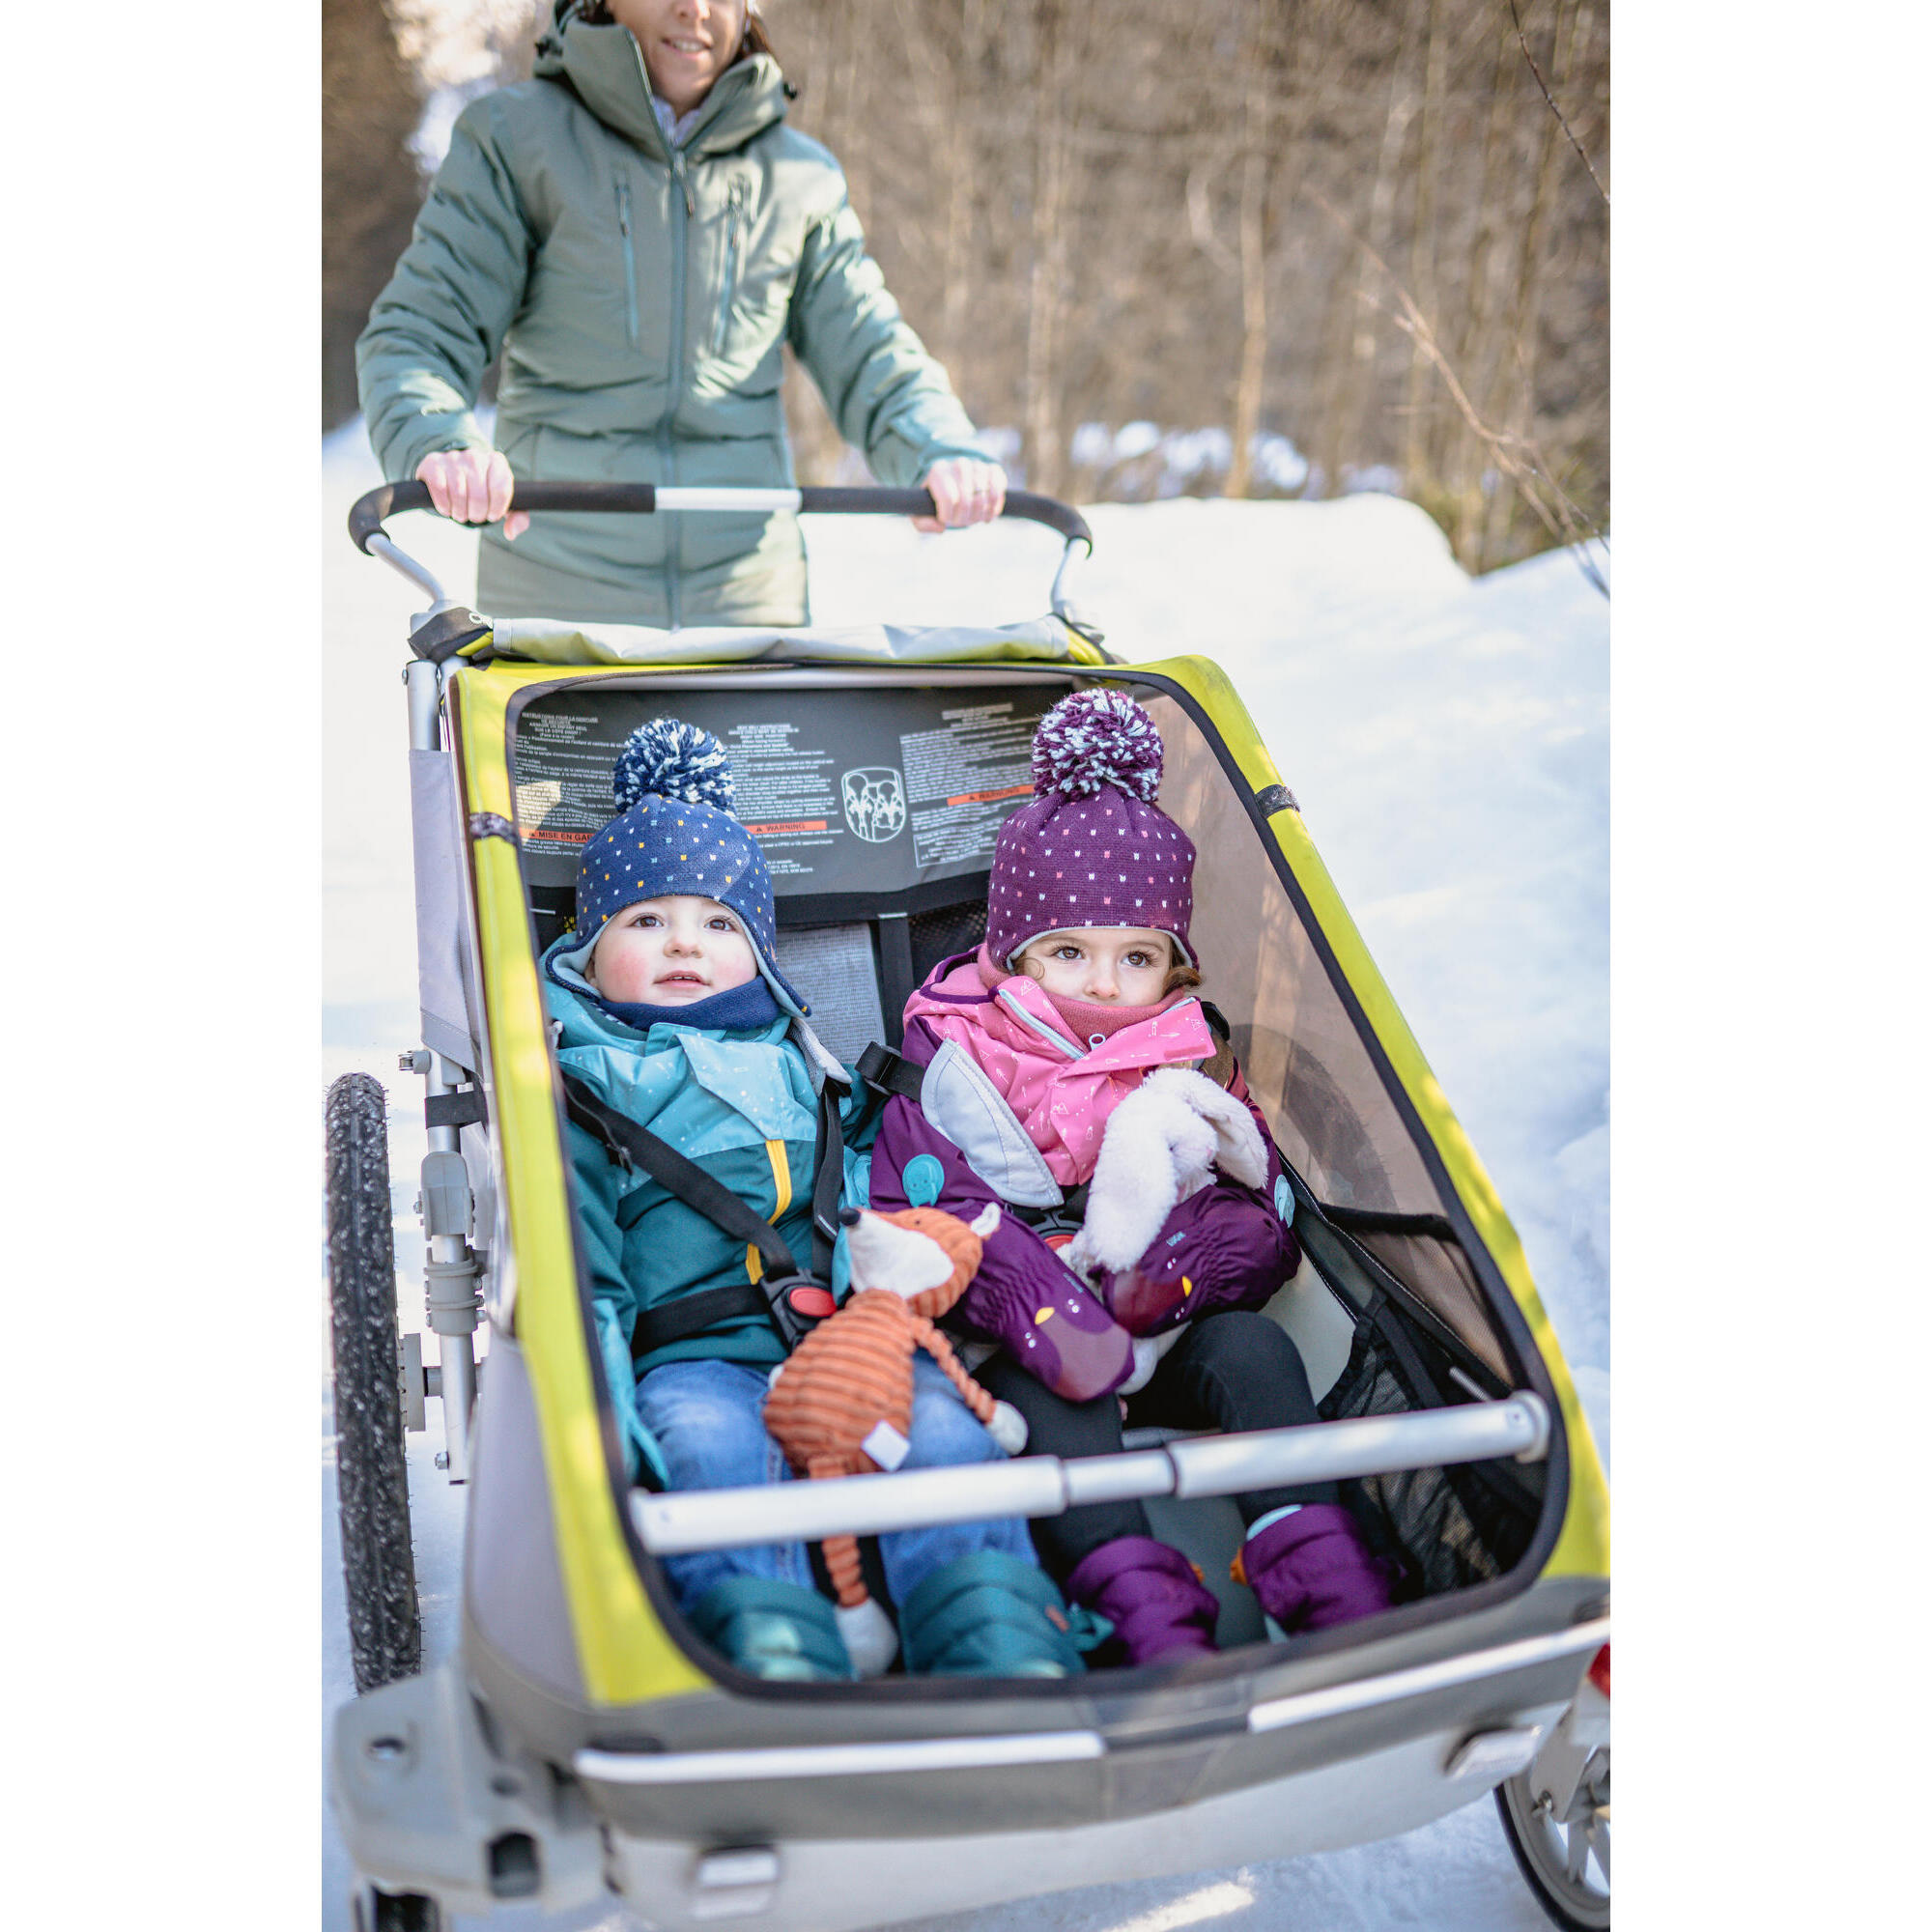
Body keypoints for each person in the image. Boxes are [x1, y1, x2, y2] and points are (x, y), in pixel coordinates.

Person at [545, 716, 1091, 1681]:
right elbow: (583, 1275)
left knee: (943, 1435)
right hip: (691, 1354)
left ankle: (998, 1641)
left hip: (846, 1337)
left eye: (720, 924)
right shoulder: (585, 1086)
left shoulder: (810, 1067)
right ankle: (770, 1651)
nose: (686, 943)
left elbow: (886, 1190)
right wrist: (598, 1416)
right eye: (645, 920)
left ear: (757, 952)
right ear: (589, 953)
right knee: (706, 1453)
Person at [867, 691, 1397, 1666]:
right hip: (1020, 1333)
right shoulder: (947, 1049)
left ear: (1172, 965)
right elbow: (912, 1202)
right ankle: (1146, 1617)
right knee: (1056, 1415)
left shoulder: (1189, 1059)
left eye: (1136, 957)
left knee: (1253, 1355)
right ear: (1011, 951)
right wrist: (1036, 1298)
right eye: (1069, 952)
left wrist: (1170, 1277)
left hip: (1165, 1312)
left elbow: (1258, 1209)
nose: (1103, 983)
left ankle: (1330, 1588)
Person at [357, 0, 1007, 629]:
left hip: (747, 618)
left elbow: (871, 352)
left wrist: (936, 447)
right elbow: (419, 335)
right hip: (561, 613)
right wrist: (440, 444)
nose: (695, 7)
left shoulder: (798, 177)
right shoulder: (515, 142)